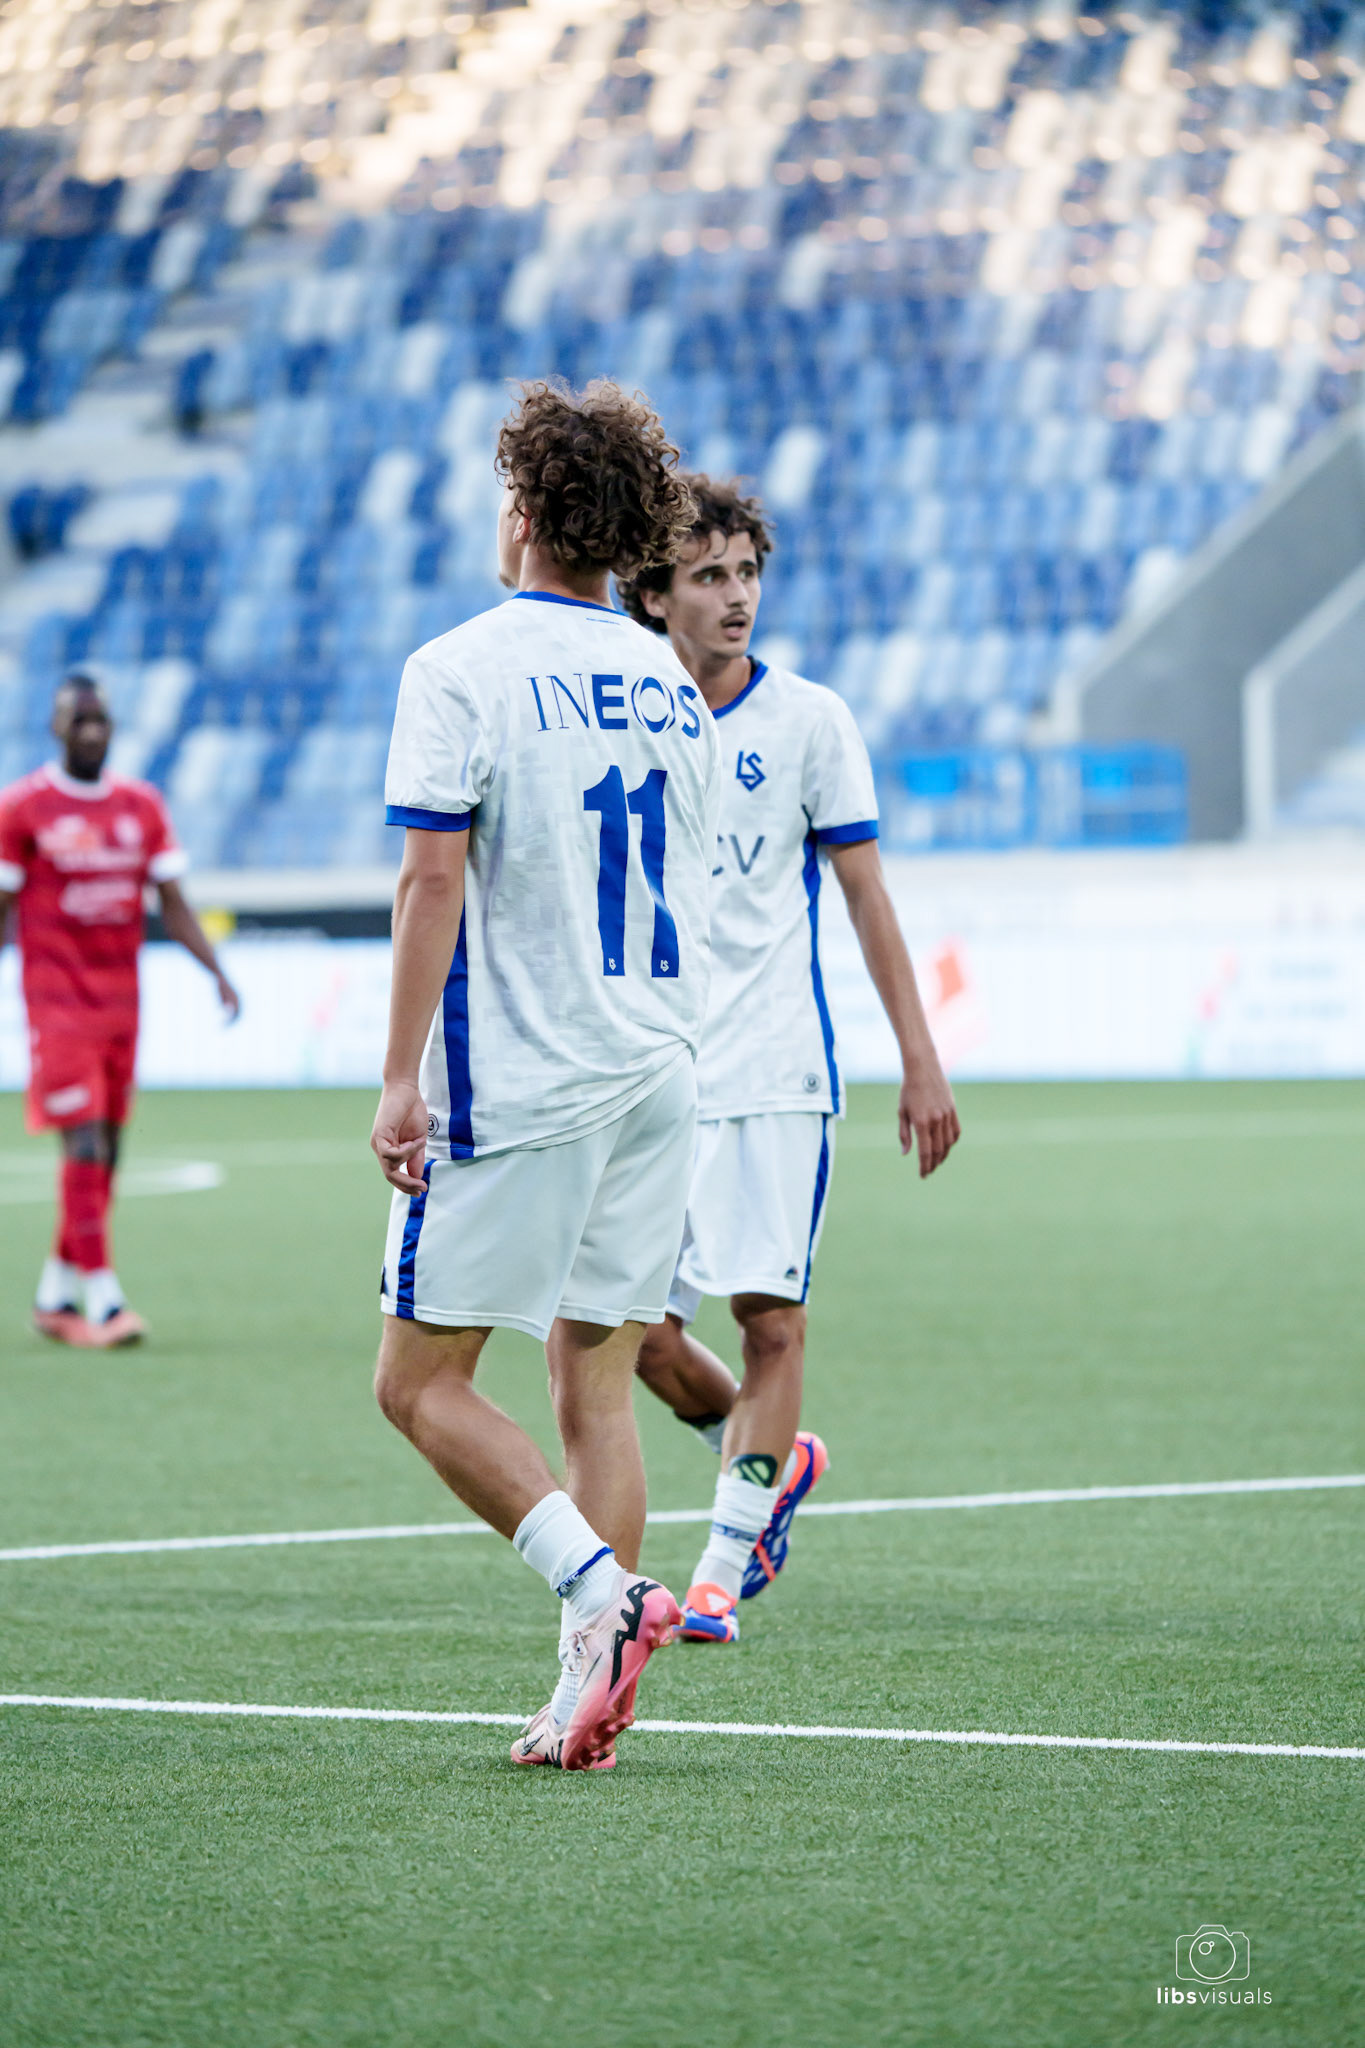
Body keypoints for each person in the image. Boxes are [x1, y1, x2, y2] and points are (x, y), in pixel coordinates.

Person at [370, 381, 721, 1772]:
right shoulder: (669, 682)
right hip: (656, 1070)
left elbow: (429, 878)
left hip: (525, 1078)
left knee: (418, 1383)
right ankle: (591, 1690)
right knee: (597, 1378)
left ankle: (602, 1596)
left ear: (522, 506)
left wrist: (400, 1078)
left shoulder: (457, 667)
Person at [619, 478, 960, 1646]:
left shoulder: (811, 720)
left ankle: (720, 1563)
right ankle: (766, 1458)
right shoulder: (622, 712)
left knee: (771, 1320)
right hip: (647, 1074)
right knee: (639, 1335)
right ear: (653, 592)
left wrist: (921, 1059)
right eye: (707, 576)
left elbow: (866, 895)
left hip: (772, 1069)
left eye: (746, 573)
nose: (736, 598)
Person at [0, 673, 240, 1346]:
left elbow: (173, 900)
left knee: (108, 1148)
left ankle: (54, 1293)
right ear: (56, 729)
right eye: (79, 721)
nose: (92, 731)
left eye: (101, 720)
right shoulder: (23, 809)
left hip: (121, 1003)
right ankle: (103, 1301)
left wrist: (216, 971)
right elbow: (3, 908)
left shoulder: (141, 804)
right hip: (56, 1001)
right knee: (81, 1139)